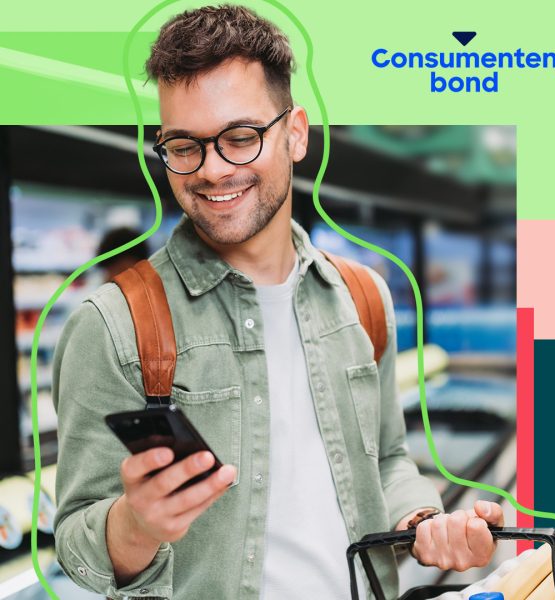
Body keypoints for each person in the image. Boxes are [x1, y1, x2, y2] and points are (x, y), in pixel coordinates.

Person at [51, 5, 504, 600]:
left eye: (239, 137)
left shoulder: (362, 298)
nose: (212, 170)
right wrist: (136, 526)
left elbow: (388, 460)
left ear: (294, 134)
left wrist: (422, 523)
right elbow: (76, 540)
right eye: (184, 146)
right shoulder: (112, 325)